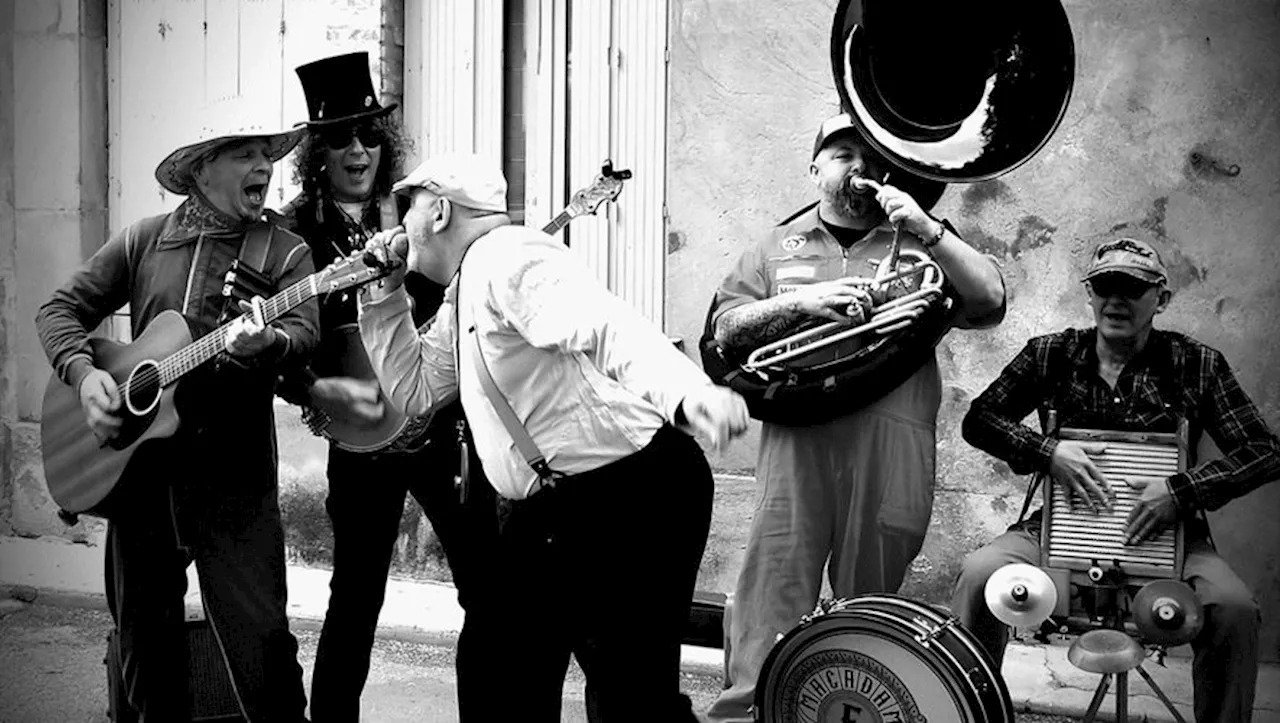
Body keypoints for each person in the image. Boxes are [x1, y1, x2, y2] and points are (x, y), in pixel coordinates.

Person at [355, 154, 751, 721]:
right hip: (551, 511)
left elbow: (605, 325)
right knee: (504, 681)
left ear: (439, 210)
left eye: (408, 206)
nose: (399, 224)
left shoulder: (510, 255)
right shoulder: (466, 289)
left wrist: (689, 395)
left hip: (628, 495)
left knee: (630, 697)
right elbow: (415, 390)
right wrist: (383, 295)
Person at [704, 112, 1007, 722]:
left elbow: (990, 302)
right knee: (772, 587)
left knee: (868, 601)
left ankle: (848, 709)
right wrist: (801, 303)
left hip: (891, 441)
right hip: (797, 440)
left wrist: (928, 226)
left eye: (870, 154)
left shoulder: (918, 242)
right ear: (815, 168)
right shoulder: (770, 248)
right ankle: (752, 710)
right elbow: (724, 334)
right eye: (843, 154)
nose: (859, 165)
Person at [35, 122, 318, 721]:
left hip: (233, 480)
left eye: (267, 155)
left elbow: (305, 336)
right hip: (139, 479)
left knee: (263, 650)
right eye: (245, 154)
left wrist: (266, 345)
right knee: (144, 652)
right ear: (201, 171)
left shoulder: (286, 252)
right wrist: (86, 376)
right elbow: (59, 309)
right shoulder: (144, 240)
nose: (263, 166)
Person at [951, 236, 1279, 723]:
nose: (1116, 301)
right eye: (1105, 287)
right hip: (1056, 534)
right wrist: (1049, 451)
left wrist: (1179, 490)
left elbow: (1264, 452)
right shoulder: (1051, 355)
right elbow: (979, 420)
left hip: (1173, 538)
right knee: (981, 575)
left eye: (1132, 289)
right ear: (1089, 293)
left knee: (1233, 609)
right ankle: (969, 713)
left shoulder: (1197, 365)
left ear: (1161, 299)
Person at [273, 52, 502, 723]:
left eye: (369, 134)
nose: (357, 149)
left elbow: (464, 295)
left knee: (486, 589)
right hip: (363, 439)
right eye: (340, 138)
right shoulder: (295, 233)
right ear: (317, 151)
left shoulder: (417, 209)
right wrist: (312, 391)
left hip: (440, 429)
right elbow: (287, 341)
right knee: (356, 598)